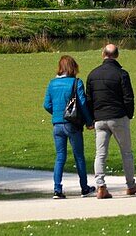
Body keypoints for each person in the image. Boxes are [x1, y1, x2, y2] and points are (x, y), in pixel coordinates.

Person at [86, 44, 136, 199]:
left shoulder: (92, 74)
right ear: (117, 55)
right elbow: (128, 97)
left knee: (100, 154)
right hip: (118, 117)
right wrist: (129, 115)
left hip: (99, 118)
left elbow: (89, 99)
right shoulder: (122, 74)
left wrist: (91, 118)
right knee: (126, 153)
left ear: (103, 54)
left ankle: (100, 186)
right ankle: (131, 185)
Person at [43, 55, 94, 199]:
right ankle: (84, 188)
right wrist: (89, 121)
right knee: (79, 157)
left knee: (60, 157)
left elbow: (46, 104)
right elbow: (82, 104)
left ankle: (57, 189)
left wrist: (57, 114)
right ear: (73, 67)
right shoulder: (76, 83)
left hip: (57, 125)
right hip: (72, 124)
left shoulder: (52, 83)